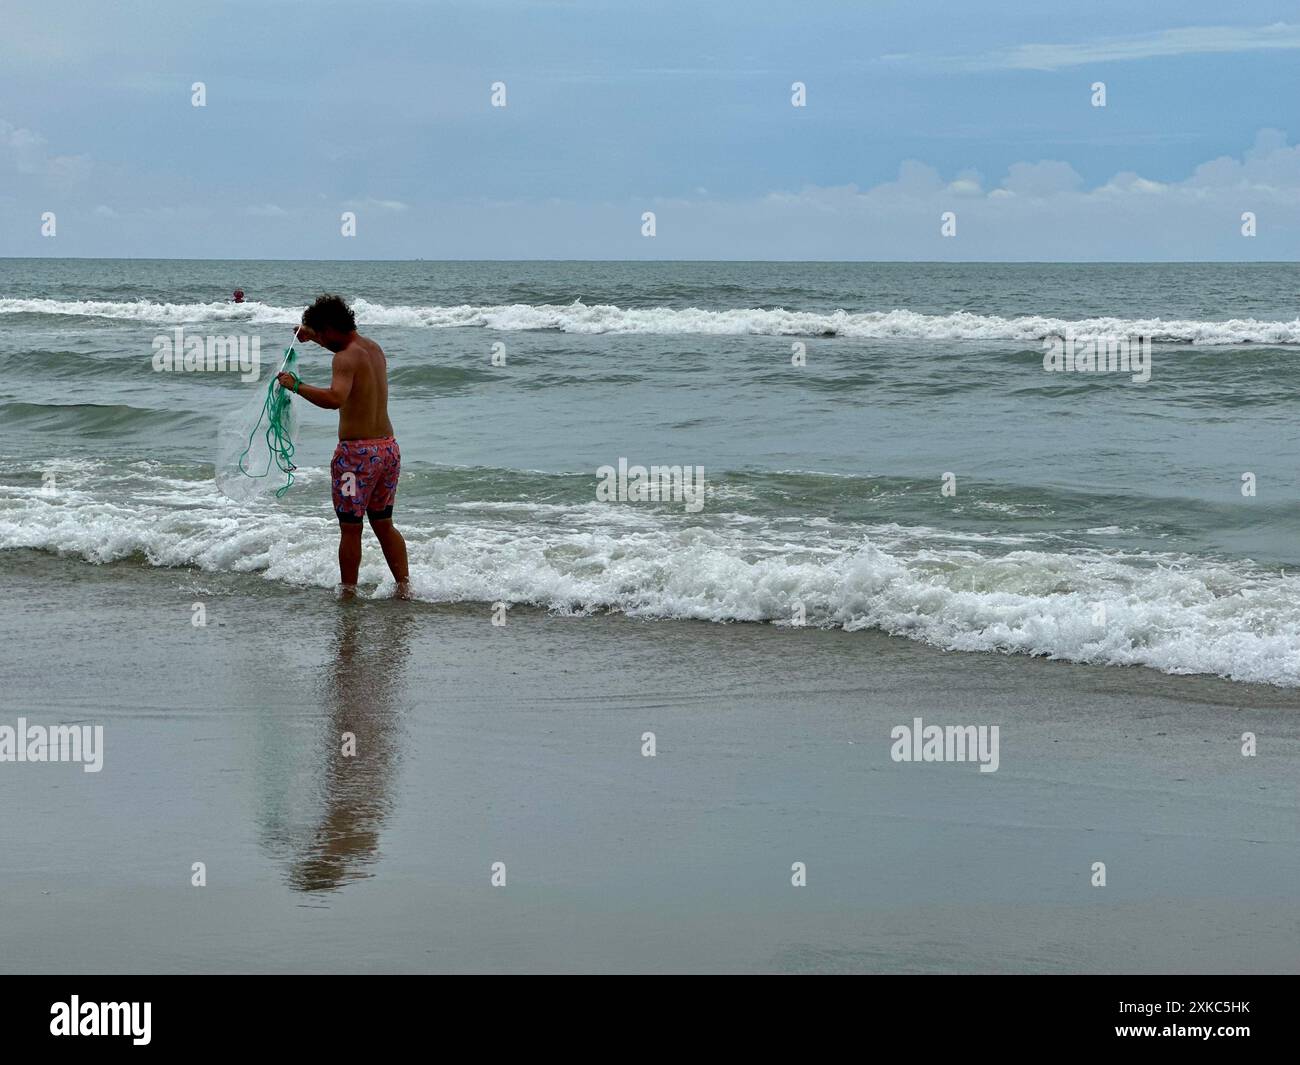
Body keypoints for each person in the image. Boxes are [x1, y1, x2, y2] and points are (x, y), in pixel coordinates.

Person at [277, 294, 410, 599]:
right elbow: (338, 346)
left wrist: (295, 385)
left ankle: (348, 593)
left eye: (321, 335)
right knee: (383, 523)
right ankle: (405, 587)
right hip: (388, 449)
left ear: (331, 329)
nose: (320, 342)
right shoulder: (373, 349)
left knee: (351, 528)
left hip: (357, 457)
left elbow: (335, 398)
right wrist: (310, 334)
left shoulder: (344, 357)